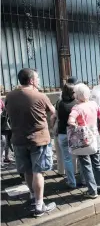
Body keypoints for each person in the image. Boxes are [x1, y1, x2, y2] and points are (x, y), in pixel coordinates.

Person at [5, 68, 56, 217]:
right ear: (32, 80)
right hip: (38, 140)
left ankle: (33, 197)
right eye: (38, 78)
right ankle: (40, 206)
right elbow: (53, 112)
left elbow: (8, 112)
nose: (39, 80)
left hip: (18, 140)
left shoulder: (10, 96)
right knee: (38, 172)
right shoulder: (40, 96)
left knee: (27, 170)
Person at [67, 83, 100, 199]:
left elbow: (70, 120)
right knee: (96, 162)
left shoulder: (77, 108)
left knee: (86, 165)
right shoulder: (94, 104)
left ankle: (92, 191)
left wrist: (75, 125)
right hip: (95, 136)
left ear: (77, 95)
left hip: (83, 139)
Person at [52, 82, 79, 188]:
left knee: (66, 158)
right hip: (74, 132)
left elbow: (56, 116)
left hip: (62, 133)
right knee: (78, 156)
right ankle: (80, 177)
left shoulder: (59, 102)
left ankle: (71, 182)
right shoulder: (76, 103)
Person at [0, 98, 12, 164]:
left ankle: (6, 157)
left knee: (6, 142)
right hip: (3, 125)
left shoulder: (1, 101)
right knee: (3, 142)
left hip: (4, 125)